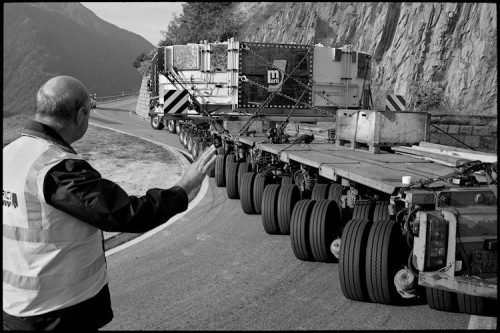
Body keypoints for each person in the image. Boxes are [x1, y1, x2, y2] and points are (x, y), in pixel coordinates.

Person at [3, 75, 217, 330]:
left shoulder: (10, 154)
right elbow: (128, 214)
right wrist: (185, 186)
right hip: (58, 312)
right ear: (81, 114)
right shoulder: (57, 170)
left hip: (14, 307)